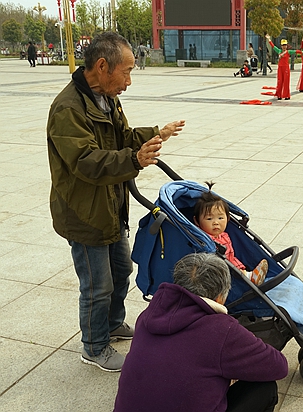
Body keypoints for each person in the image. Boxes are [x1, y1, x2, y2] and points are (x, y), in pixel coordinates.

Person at [46, 31, 185, 372]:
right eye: (126, 72)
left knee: (122, 271)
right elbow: (86, 161)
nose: (129, 81)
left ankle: (111, 324)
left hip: (110, 205)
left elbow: (120, 137)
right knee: (97, 285)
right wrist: (134, 160)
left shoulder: (105, 97)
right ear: (103, 66)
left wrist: (157, 133)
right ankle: (93, 346)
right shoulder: (67, 109)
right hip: (84, 213)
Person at [114, 253, 288, 412]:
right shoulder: (221, 330)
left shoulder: (148, 315)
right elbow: (278, 366)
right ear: (221, 296)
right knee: (265, 388)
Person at [194, 182, 268, 285]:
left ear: (228, 219)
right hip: (222, 272)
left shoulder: (224, 235)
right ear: (197, 221)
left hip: (233, 264)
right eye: (209, 218)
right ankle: (249, 277)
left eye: (220, 218)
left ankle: (247, 274)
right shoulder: (204, 239)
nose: (216, 222)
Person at [265, 35, 298, 100]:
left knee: (286, 82)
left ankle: (286, 95)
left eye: (285, 45)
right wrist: (269, 39)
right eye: (283, 45)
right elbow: (273, 46)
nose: (284, 46)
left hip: (286, 68)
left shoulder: (288, 52)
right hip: (280, 68)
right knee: (280, 82)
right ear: (281, 46)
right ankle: (279, 95)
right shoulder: (279, 51)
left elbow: (296, 51)